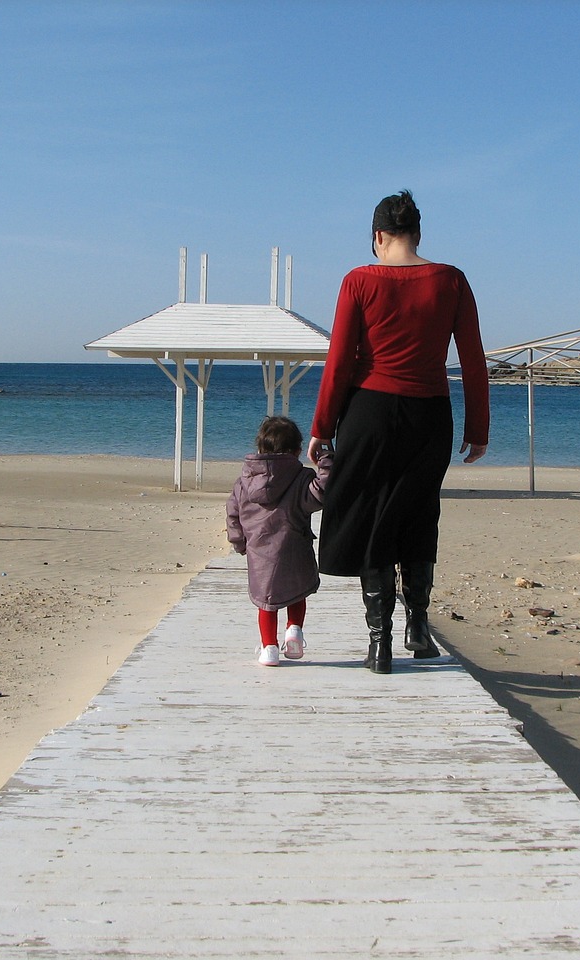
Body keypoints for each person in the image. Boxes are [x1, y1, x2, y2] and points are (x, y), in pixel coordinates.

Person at [306, 189, 489, 675]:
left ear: (378, 237)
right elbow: (473, 360)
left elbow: (340, 360)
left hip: (369, 412)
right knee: (418, 513)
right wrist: (479, 428)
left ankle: (379, 642)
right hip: (430, 416)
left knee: (370, 520)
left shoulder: (359, 281)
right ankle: (419, 626)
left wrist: (322, 425)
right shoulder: (451, 280)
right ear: (418, 233)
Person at [227, 416, 333, 666]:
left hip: (260, 551)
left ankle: (269, 648)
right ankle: (294, 629)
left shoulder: (244, 482)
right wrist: (326, 460)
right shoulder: (301, 478)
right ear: (298, 450)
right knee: (297, 592)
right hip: (295, 546)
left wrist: (239, 542)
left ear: (260, 449)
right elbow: (321, 492)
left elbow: (233, 513)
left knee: (267, 601)